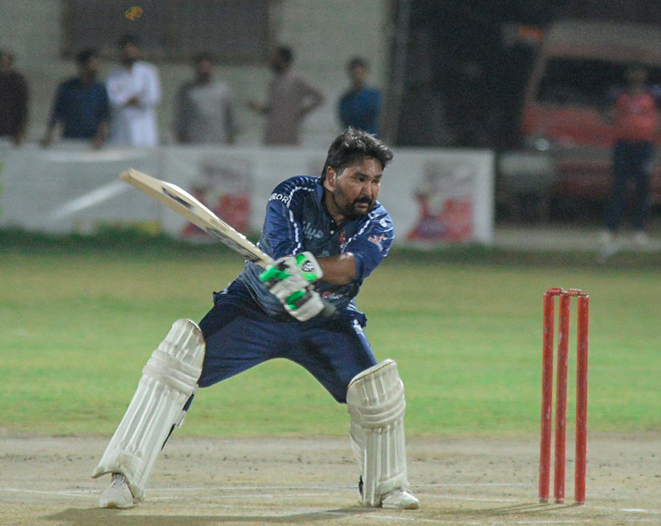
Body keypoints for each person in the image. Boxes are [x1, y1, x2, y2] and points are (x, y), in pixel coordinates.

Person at [93, 128, 419, 512]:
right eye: (359, 179)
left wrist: (308, 271)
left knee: (376, 392)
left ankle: (386, 487)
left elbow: (351, 266)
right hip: (253, 309)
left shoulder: (378, 223)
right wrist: (292, 276)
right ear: (332, 177)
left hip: (326, 320)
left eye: (376, 180)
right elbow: (282, 256)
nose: (369, 191)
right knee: (177, 363)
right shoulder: (292, 196)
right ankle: (124, 477)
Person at [600, 64, 661, 250]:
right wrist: (611, 120)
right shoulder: (619, 93)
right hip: (623, 144)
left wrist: (658, 128)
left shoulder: (653, 94)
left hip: (644, 146)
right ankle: (611, 228)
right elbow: (603, 108)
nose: (636, 75)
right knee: (618, 186)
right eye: (633, 72)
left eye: (639, 72)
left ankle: (639, 229)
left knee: (643, 187)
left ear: (644, 75)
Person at [248, 46, 325, 145]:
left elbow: (320, 97)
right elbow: (272, 109)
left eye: (274, 58)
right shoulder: (273, 82)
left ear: (283, 60)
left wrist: (303, 111)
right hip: (272, 135)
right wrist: (257, 108)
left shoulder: (297, 80)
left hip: (289, 135)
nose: (271, 61)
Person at [41, 48, 111, 149]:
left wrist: (100, 136)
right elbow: (57, 113)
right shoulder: (67, 87)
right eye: (93, 64)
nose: (96, 68)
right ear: (83, 65)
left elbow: (104, 116)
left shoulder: (100, 89)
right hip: (70, 139)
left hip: (92, 142)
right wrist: (48, 135)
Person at [106, 35, 161, 147]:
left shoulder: (149, 71)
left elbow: (153, 97)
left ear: (138, 51)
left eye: (132, 51)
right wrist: (130, 100)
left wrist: (134, 100)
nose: (129, 54)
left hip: (143, 128)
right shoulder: (114, 73)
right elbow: (112, 98)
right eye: (126, 51)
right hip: (122, 127)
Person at [173, 52, 236, 144]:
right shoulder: (186, 91)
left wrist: (231, 137)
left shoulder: (223, 90)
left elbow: (230, 116)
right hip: (193, 141)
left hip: (219, 141)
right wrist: (180, 136)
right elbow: (180, 116)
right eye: (201, 67)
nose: (204, 70)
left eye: (207, 67)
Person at [338, 56, 382, 135]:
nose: (357, 77)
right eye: (354, 74)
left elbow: (382, 118)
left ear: (365, 73)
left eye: (359, 73)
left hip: (372, 136)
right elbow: (344, 123)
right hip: (353, 138)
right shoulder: (345, 99)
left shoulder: (374, 96)